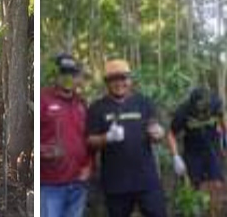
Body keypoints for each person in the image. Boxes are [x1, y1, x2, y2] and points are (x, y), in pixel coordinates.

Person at [87, 59, 167, 217]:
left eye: (122, 78)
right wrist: (107, 137)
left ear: (129, 79)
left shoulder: (144, 103)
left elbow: (155, 129)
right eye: (113, 79)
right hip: (116, 183)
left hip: (146, 180)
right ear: (107, 82)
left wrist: (158, 133)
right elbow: (90, 141)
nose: (119, 83)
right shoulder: (97, 108)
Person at [168, 87, 227, 216]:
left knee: (217, 184)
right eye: (199, 111)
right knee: (196, 187)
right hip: (193, 152)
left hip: (213, 149)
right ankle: (198, 212)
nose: (202, 114)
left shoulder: (216, 103)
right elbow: (171, 133)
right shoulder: (183, 112)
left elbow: (222, 115)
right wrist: (175, 156)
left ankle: (214, 213)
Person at [40, 54, 91, 217]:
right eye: (63, 73)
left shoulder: (81, 104)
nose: (68, 78)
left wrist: (89, 166)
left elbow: (88, 139)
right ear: (56, 75)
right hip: (51, 184)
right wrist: (44, 150)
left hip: (78, 184)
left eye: (72, 74)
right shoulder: (43, 99)